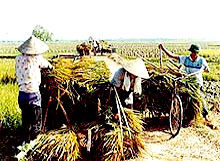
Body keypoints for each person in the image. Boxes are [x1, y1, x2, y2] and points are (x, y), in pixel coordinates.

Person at [15, 35, 53, 142]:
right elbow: (49, 66)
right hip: (33, 95)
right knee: (36, 123)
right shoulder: (37, 59)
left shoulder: (18, 59)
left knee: (26, 122)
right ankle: (33, 145)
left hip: (22, 95)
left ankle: (25, 143)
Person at [159, 43, 210, 121]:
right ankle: (181, 112)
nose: (193, 54)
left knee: (200, 97)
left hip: (197, 83)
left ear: (197, 53)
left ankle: (205, 115)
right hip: (187, 81)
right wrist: (163, 49)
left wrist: (204, 70)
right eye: (192, 52)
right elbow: (172, 56)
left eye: (195, 52)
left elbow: (208, 70)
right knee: (181, 94)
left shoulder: (201, 61)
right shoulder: (186, 59)